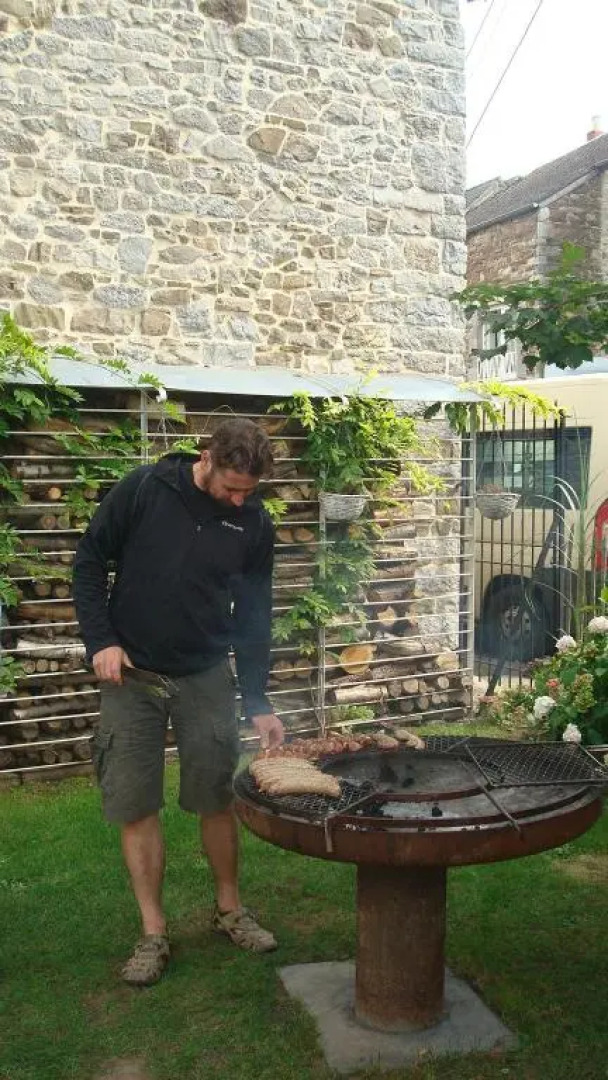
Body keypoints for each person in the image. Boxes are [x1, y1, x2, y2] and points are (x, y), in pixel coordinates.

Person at [72, 417, 284, 986]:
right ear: (207, 458)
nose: (239, 500)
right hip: (132, 677)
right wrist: (102, 641)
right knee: (135, 803)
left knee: (216, 796)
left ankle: (230, 910)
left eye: (249, 491)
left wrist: (259, 697)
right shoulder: (144, 490)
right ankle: (153, 932)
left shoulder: (254, 524)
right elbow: (89, 560)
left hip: (206, 674)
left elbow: (255, 616)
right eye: (231, 487)